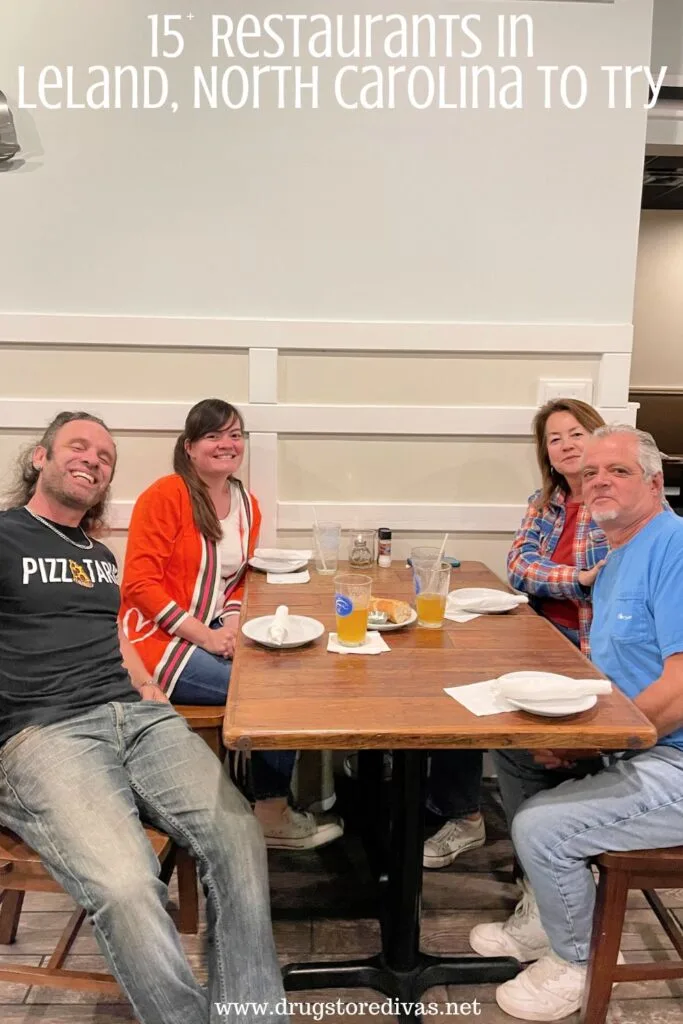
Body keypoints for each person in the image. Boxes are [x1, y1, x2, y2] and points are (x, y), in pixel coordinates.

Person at [0, 411, 289, 1024]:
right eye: (78, 447)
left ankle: (251, 1016)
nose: (94, 460)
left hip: (134, 717)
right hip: (45, 732)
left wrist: (148, 684)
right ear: (39, 459)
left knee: (238, 836)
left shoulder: (96, 554)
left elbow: (113, 628)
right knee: (127, 885)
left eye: (105, 456)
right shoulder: (5, 537)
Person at [469, 424, 683, 1021]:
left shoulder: (676, 548)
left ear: (654, 482)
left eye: (618, 471)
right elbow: (615, 672)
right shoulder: (616, 558)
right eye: (591, 474)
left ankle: (573, 963)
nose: (600, 482)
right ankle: (548, 907)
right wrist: (577, 737)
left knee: (542, 826)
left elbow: (681, 686)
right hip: (642, 744)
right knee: (515, 747)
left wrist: (595, 742)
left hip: (676, 760)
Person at [119, 398, 343, 851]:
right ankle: (271, 812)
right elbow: (139, 584)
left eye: (235, 434)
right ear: (189, 447)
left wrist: (236, 628)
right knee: (270, 695)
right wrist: (207, 636)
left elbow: (239, 581)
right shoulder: (166, 495)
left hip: (212, 631)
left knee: (287, 676)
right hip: (156, 642)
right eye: (214, 435)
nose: (227, 444)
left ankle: (262, 798)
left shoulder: (246, 504)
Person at [423, 399, 608, 871]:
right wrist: (577, 579)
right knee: (454, 684)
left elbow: (613, 579)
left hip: (586, 643)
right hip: (535, 630)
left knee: (525, 723)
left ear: (598, 436)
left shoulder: (612, 501)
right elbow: (519, 567)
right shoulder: (545, 502)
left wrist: (574, 579)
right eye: (554, 438)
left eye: (576, 433)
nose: (566, 445)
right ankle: (463, 815)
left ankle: (550, 856)